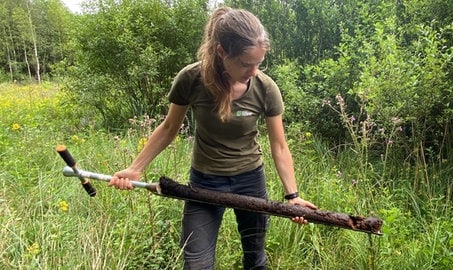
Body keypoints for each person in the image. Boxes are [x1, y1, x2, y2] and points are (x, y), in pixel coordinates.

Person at [108, 6, 317, 270]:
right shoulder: (191, 79)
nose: (253, 71)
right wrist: (136, 168)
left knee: (256, 260)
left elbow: (279, 145)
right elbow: (169, 127)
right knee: (196, 264)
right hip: (204, 182)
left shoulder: (265, 88)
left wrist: (292, 196)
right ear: (221, 51)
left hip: (250, 180)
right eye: (245, 63)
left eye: (258, 64)